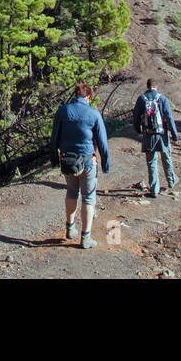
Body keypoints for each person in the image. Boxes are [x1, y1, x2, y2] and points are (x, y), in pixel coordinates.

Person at [51, 82, 111, 249]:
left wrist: (54, 159)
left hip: (67, 161)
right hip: (87, 161)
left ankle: (70, 229)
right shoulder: (93, 114)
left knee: (71, 192)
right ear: (89, 97)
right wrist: (106, 163)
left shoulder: (62, 111)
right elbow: (102, 142)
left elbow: (54, 137)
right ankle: (86, 237)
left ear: (75, 95)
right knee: (88, 197)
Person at [132, 79, 179, 197]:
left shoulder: (141, 99)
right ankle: (171, 181)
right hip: (162, 134)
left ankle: (154, 189)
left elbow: (136, 116)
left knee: (151, 162)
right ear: (156, 86)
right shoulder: (162, 99)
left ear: (147, 86)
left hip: (148, 134)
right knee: (166, 158)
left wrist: (138, 129)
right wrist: (174, 134)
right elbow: (169, 117)